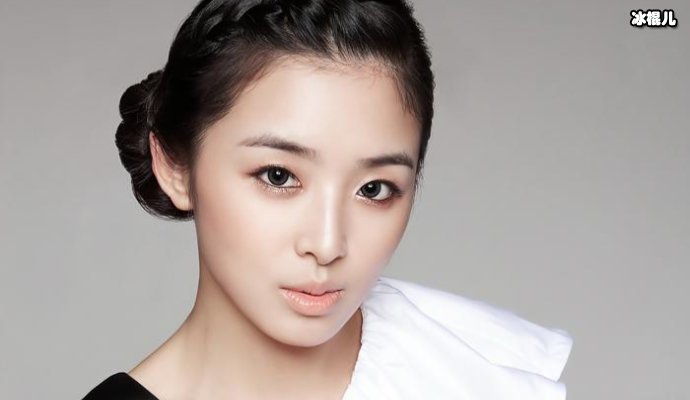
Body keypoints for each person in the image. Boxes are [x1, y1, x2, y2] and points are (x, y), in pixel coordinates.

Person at [82, 0, 572, 398]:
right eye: (278, 176)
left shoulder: (477, 377)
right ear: (175, 167)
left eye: (374, 189)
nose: (327, 243)